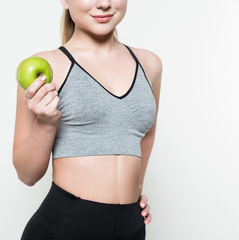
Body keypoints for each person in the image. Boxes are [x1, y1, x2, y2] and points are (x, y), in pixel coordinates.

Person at [13, 0, 162, 239]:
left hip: (130, 227)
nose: (104, 3)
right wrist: (46, 122)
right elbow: (27, 175)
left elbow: (147, 134)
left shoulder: (149, 64)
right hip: (66, 227)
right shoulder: (48, 68)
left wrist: (136, 190)